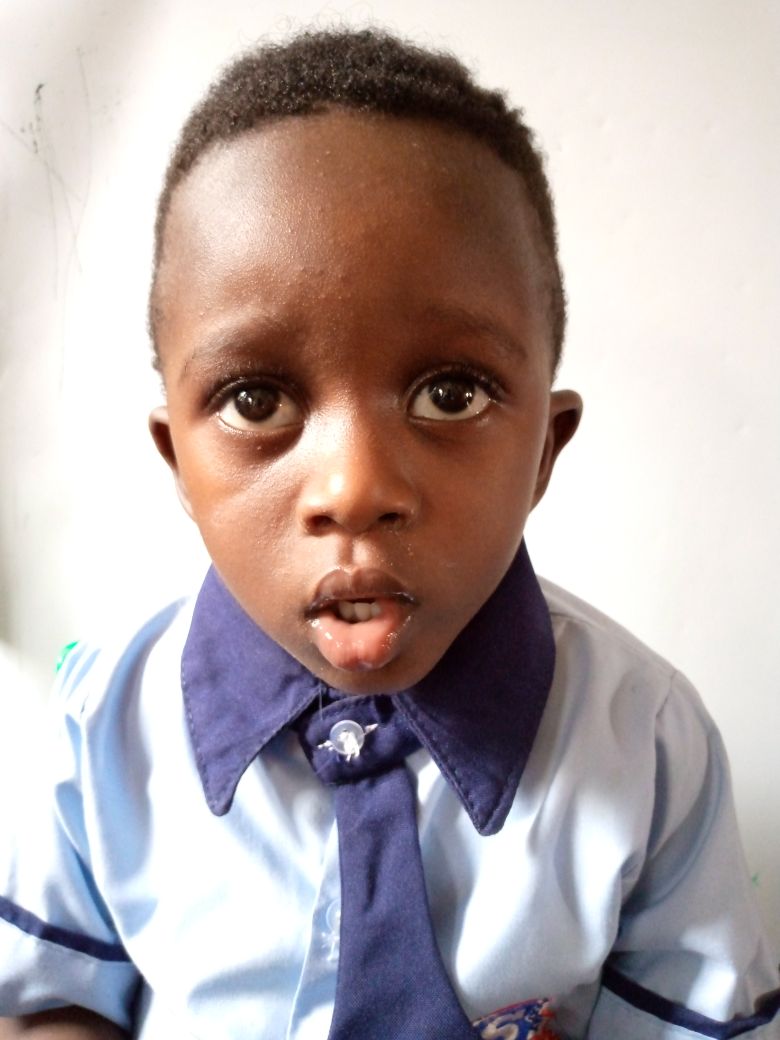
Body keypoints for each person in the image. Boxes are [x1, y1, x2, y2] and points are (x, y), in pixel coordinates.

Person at [0, 28, 778, 1040]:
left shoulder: (649, 744)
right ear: (178, 462)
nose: (355, 488)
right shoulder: (101, 722)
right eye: (255, 399)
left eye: (450, 394)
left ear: (545, 451)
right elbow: (54, 997)